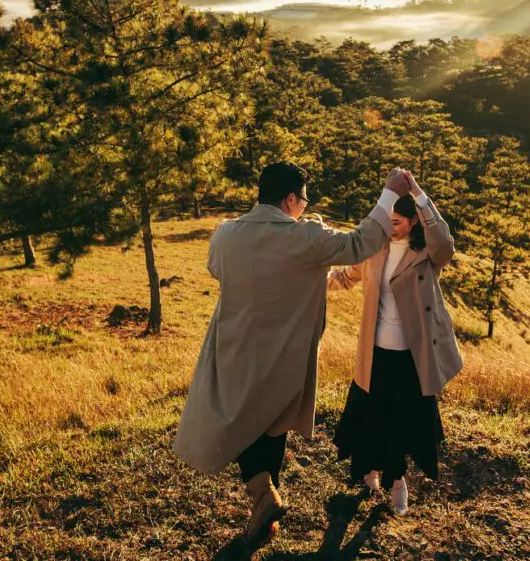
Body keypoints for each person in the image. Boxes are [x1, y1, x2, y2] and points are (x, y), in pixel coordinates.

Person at [174, 162, 410, 545]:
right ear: (290, 199)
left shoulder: (226, 235)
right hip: (284, 353)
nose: (305, 206)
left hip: (233, 348)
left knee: (240, 420)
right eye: (303, 199)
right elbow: (360, 244)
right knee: (272, 423)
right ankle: (264, 494)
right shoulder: (307, 239)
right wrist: (389, 193)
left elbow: (217, 269)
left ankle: (263, 503)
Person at [327, 171, 463, 516]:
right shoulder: (376, 247)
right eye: (387, 221)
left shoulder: (428, 254)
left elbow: (446, 246)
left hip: (412, 355)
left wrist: (419, 194)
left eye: (398, 222)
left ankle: (398, 481)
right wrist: (311, 282)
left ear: (415, 220)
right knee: (372, 416)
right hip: (374, 351)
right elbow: (347, 276)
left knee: (402, 420)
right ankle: (371, 469)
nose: (391, 227)